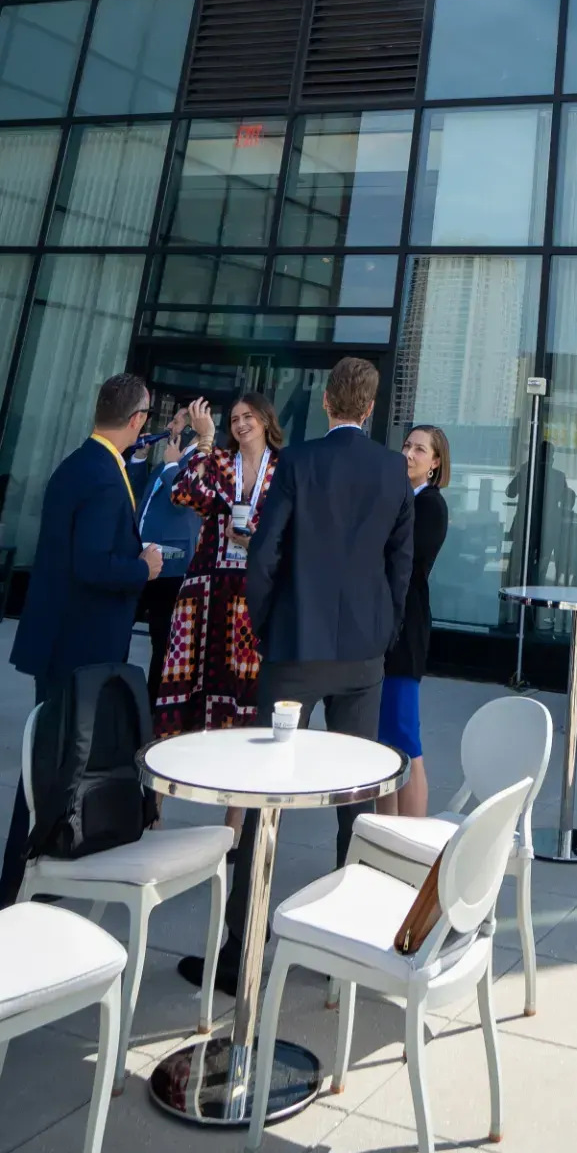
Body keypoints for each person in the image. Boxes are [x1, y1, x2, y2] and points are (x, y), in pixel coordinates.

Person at [178, 354, 412, 989]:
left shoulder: (299, 462)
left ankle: (239, 956)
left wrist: (264, 623)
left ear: (330, 403)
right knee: (358, 804)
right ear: (366, 409)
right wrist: (382, 634)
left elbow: (264, 552)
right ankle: (352, 956)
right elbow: (401, 566)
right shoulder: (393, 469)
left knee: (262, 797)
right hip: (362, 656)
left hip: (293, 650)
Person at [0, 373, 162, 912]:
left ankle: (50, 862)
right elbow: (92, 564)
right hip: (80, 643)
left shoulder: (80, 465)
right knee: (50, 761)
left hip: (65, 636)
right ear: (137, 422)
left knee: (61, 758)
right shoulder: (104, 479)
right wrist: (144, 567)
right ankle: (14, 886)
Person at [153, 393, 281, 734]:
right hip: (208, 592)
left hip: (258, 589)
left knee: (251, 684)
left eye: (248, 417)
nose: (240, 424)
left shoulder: (284, 468)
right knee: (200, 681)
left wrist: (259, 542)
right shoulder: (221, 461)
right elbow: (184, 492)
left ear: (266, 420)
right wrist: (205, 439)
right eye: (235, 419)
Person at [383, 424, 451, 818]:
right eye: (407, 446)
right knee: (384, 744)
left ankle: (412, 842)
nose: (409, 454)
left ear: (435, 463)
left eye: (420, 450)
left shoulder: (429, 505)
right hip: (388, 626)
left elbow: (404, 561)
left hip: (406, 629)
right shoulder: (403, 497)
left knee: (406, 742)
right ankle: (383, 836)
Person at [135, 411, 202, 697]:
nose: (168, 427)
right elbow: (143, 496)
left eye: (175, 423)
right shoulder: (168, 461)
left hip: (171, 567)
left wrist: (172, 464)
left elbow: (182, 501)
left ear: (189, 431)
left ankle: (152, 706)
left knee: (162, 642)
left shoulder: (200, 460)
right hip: (140, 560)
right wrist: (139, 460)